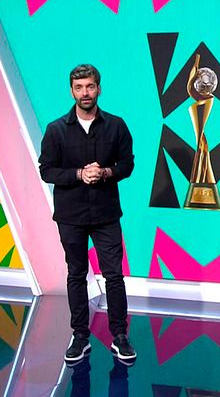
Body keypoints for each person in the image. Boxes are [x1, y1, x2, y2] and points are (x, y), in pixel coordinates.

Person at [39, 64, 136, 362]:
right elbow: (47, 171)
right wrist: (79, 174)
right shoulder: (56, 130)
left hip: (106, 214)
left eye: (90, 86)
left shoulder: (116, 126)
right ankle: (80, 336)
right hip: (71, 216)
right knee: (76, 274)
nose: (85, 93)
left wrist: (105, 172)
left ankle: (120, 336)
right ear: (71, 91)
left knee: (114, 275)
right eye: (79, 88)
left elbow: (127, 164)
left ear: (99, 89)